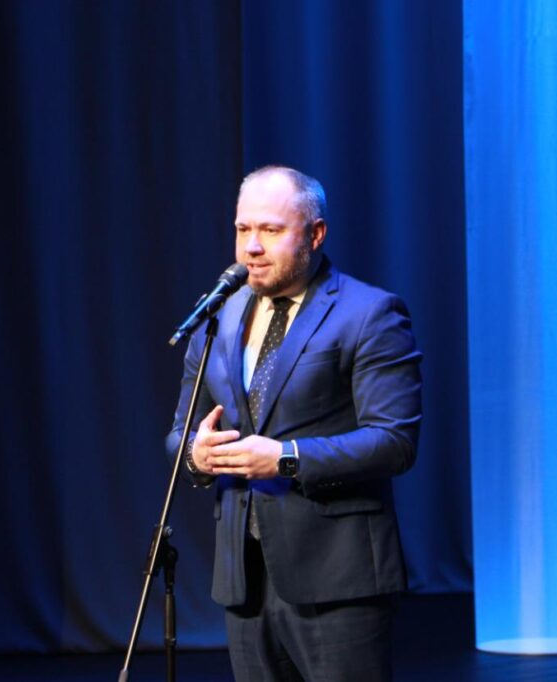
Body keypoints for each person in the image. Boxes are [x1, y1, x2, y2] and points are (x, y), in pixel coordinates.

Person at [167, 166, 422, 681]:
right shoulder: (219, 316)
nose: (252, 247)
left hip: (338, 579)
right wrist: (197, 454)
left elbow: (394, 441)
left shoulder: (369, 313)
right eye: (243, 229)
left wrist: (286, 459)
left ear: (315, 233)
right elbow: (181, 434)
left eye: (271, 230)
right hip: (244, 578)